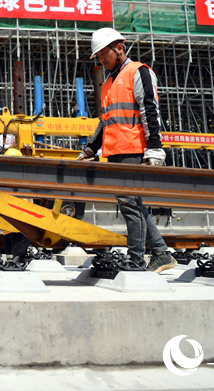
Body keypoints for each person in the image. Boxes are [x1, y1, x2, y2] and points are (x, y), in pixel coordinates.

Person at [77, 27, 177, 274]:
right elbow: (106, 120)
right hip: (115, 152)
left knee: (131, 205)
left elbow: (150, 111)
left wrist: (154, 150)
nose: (101, 60)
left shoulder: (138, 72)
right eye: (98, 57)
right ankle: (162, 253)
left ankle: (135, 259)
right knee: (131, 203)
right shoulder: (108, 82)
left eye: (103, 54)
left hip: (134, 149)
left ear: (119, 48)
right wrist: (91, 147)